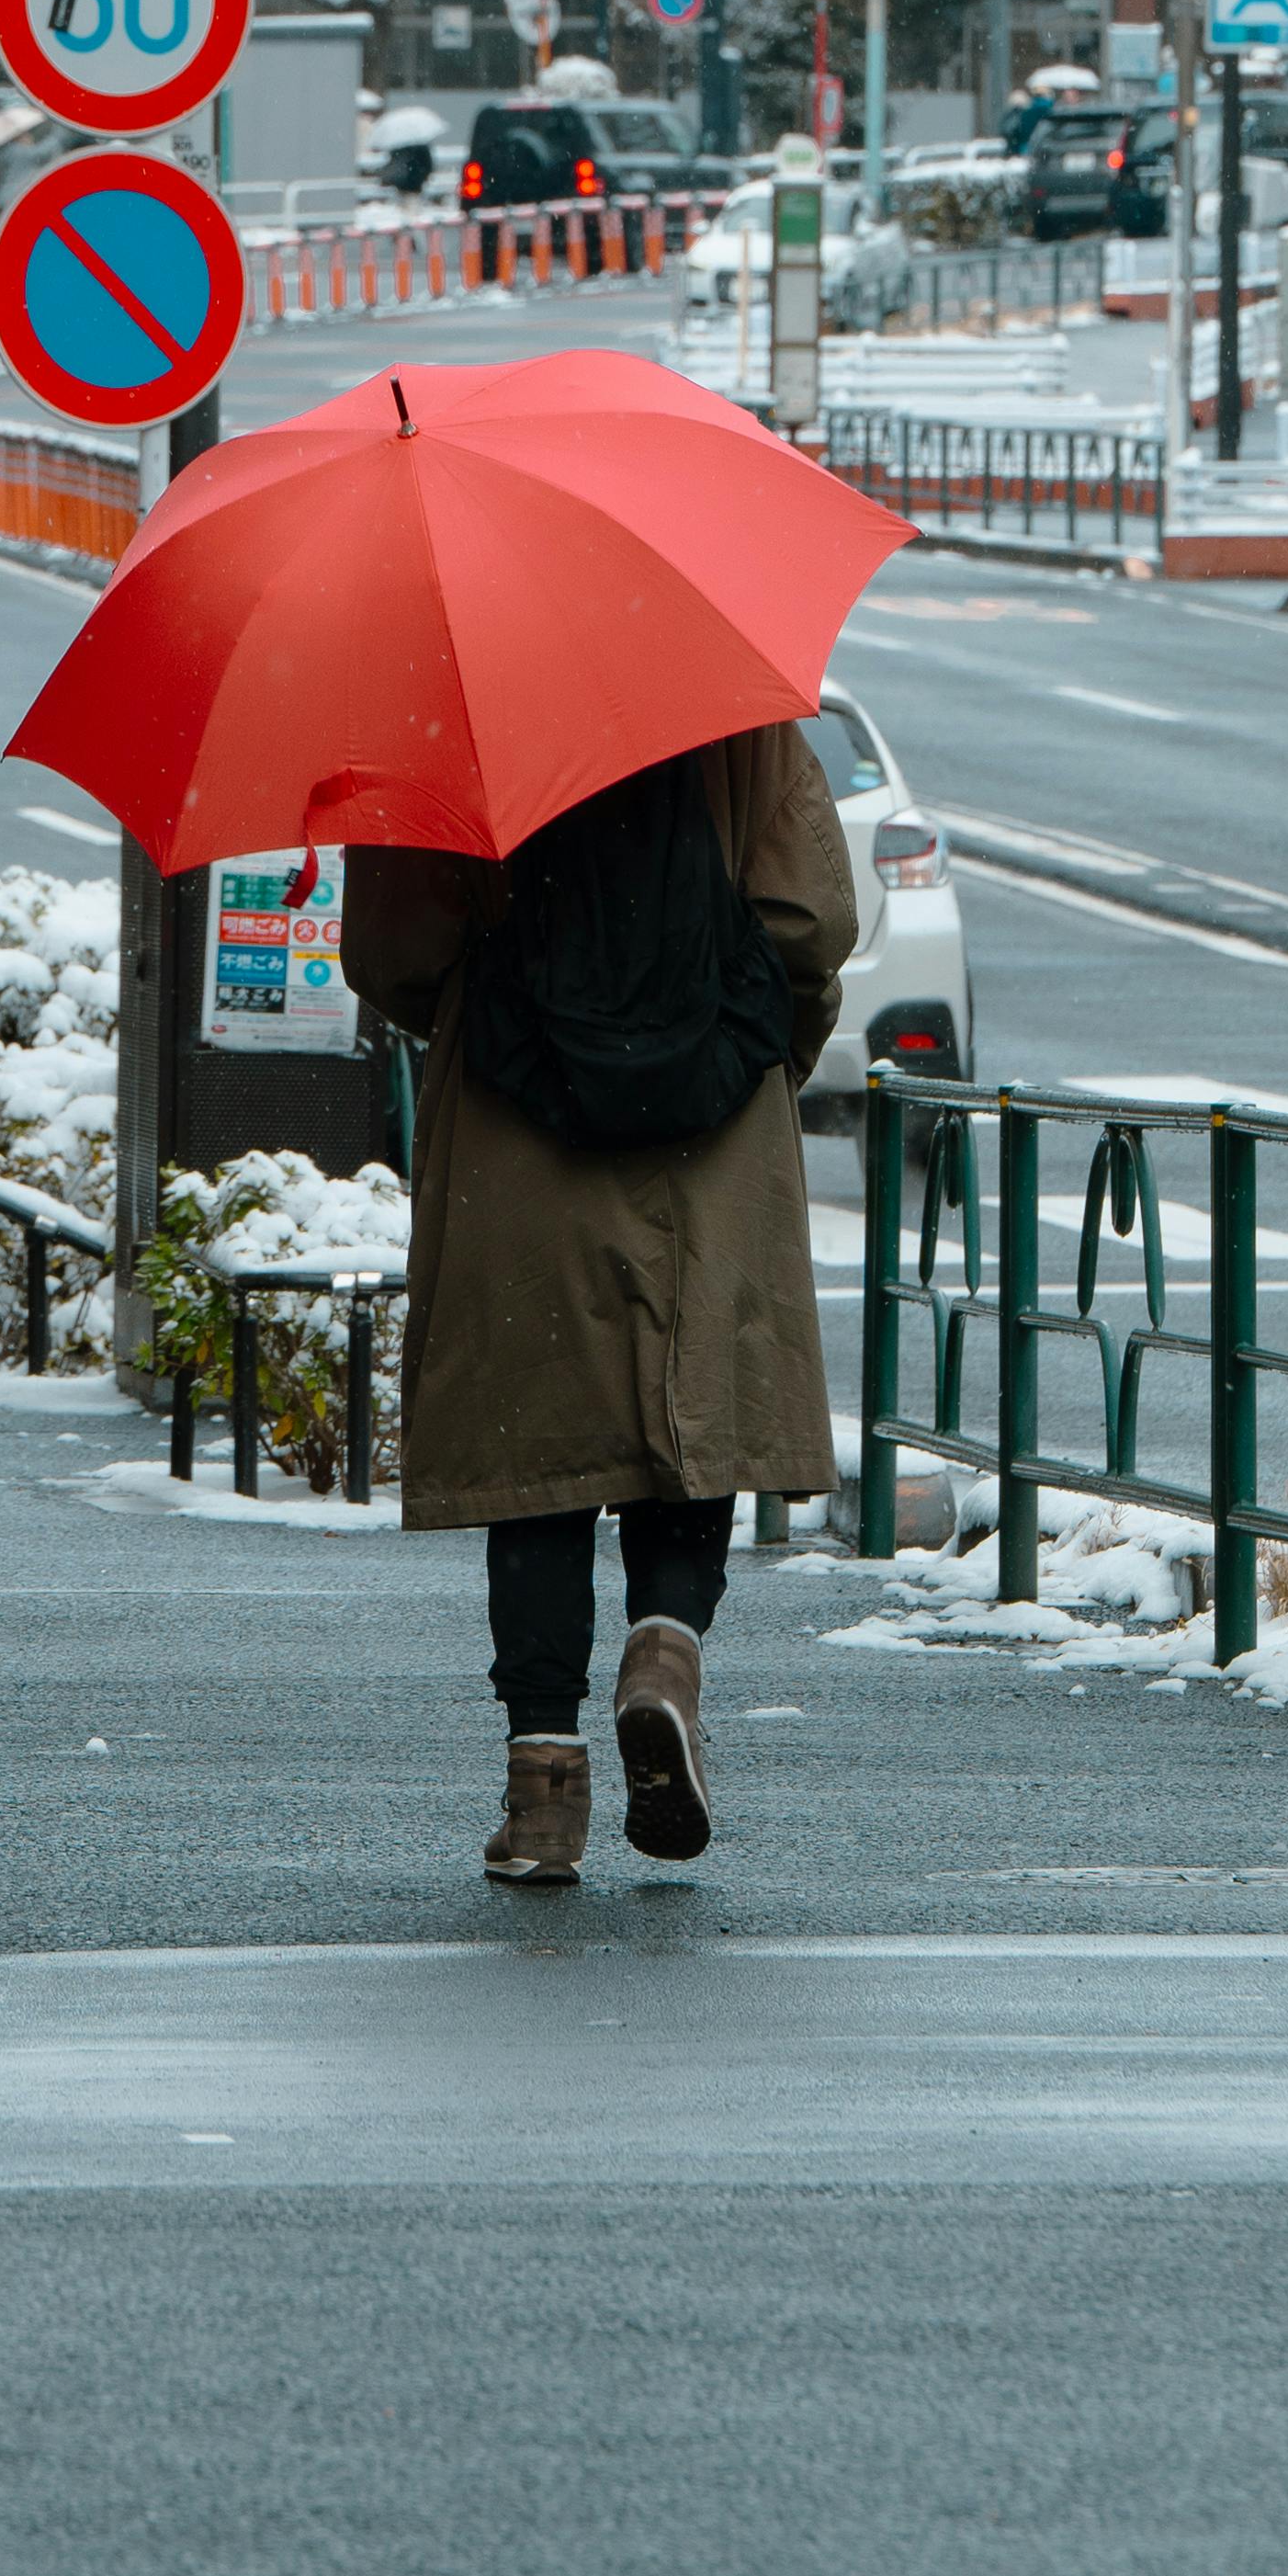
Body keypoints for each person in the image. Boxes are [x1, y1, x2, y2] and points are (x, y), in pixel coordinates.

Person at [342, 725, 854, 1887]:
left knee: (538, 1455)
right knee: (691, 1409)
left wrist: (497, 1007)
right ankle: (664, 1654)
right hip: (710, 1130)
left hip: (520, 1140)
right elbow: (810, 921)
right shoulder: (732, 714)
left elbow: (394, 948)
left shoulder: (436, 719)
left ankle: (543, 1799)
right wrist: (758, 1040)